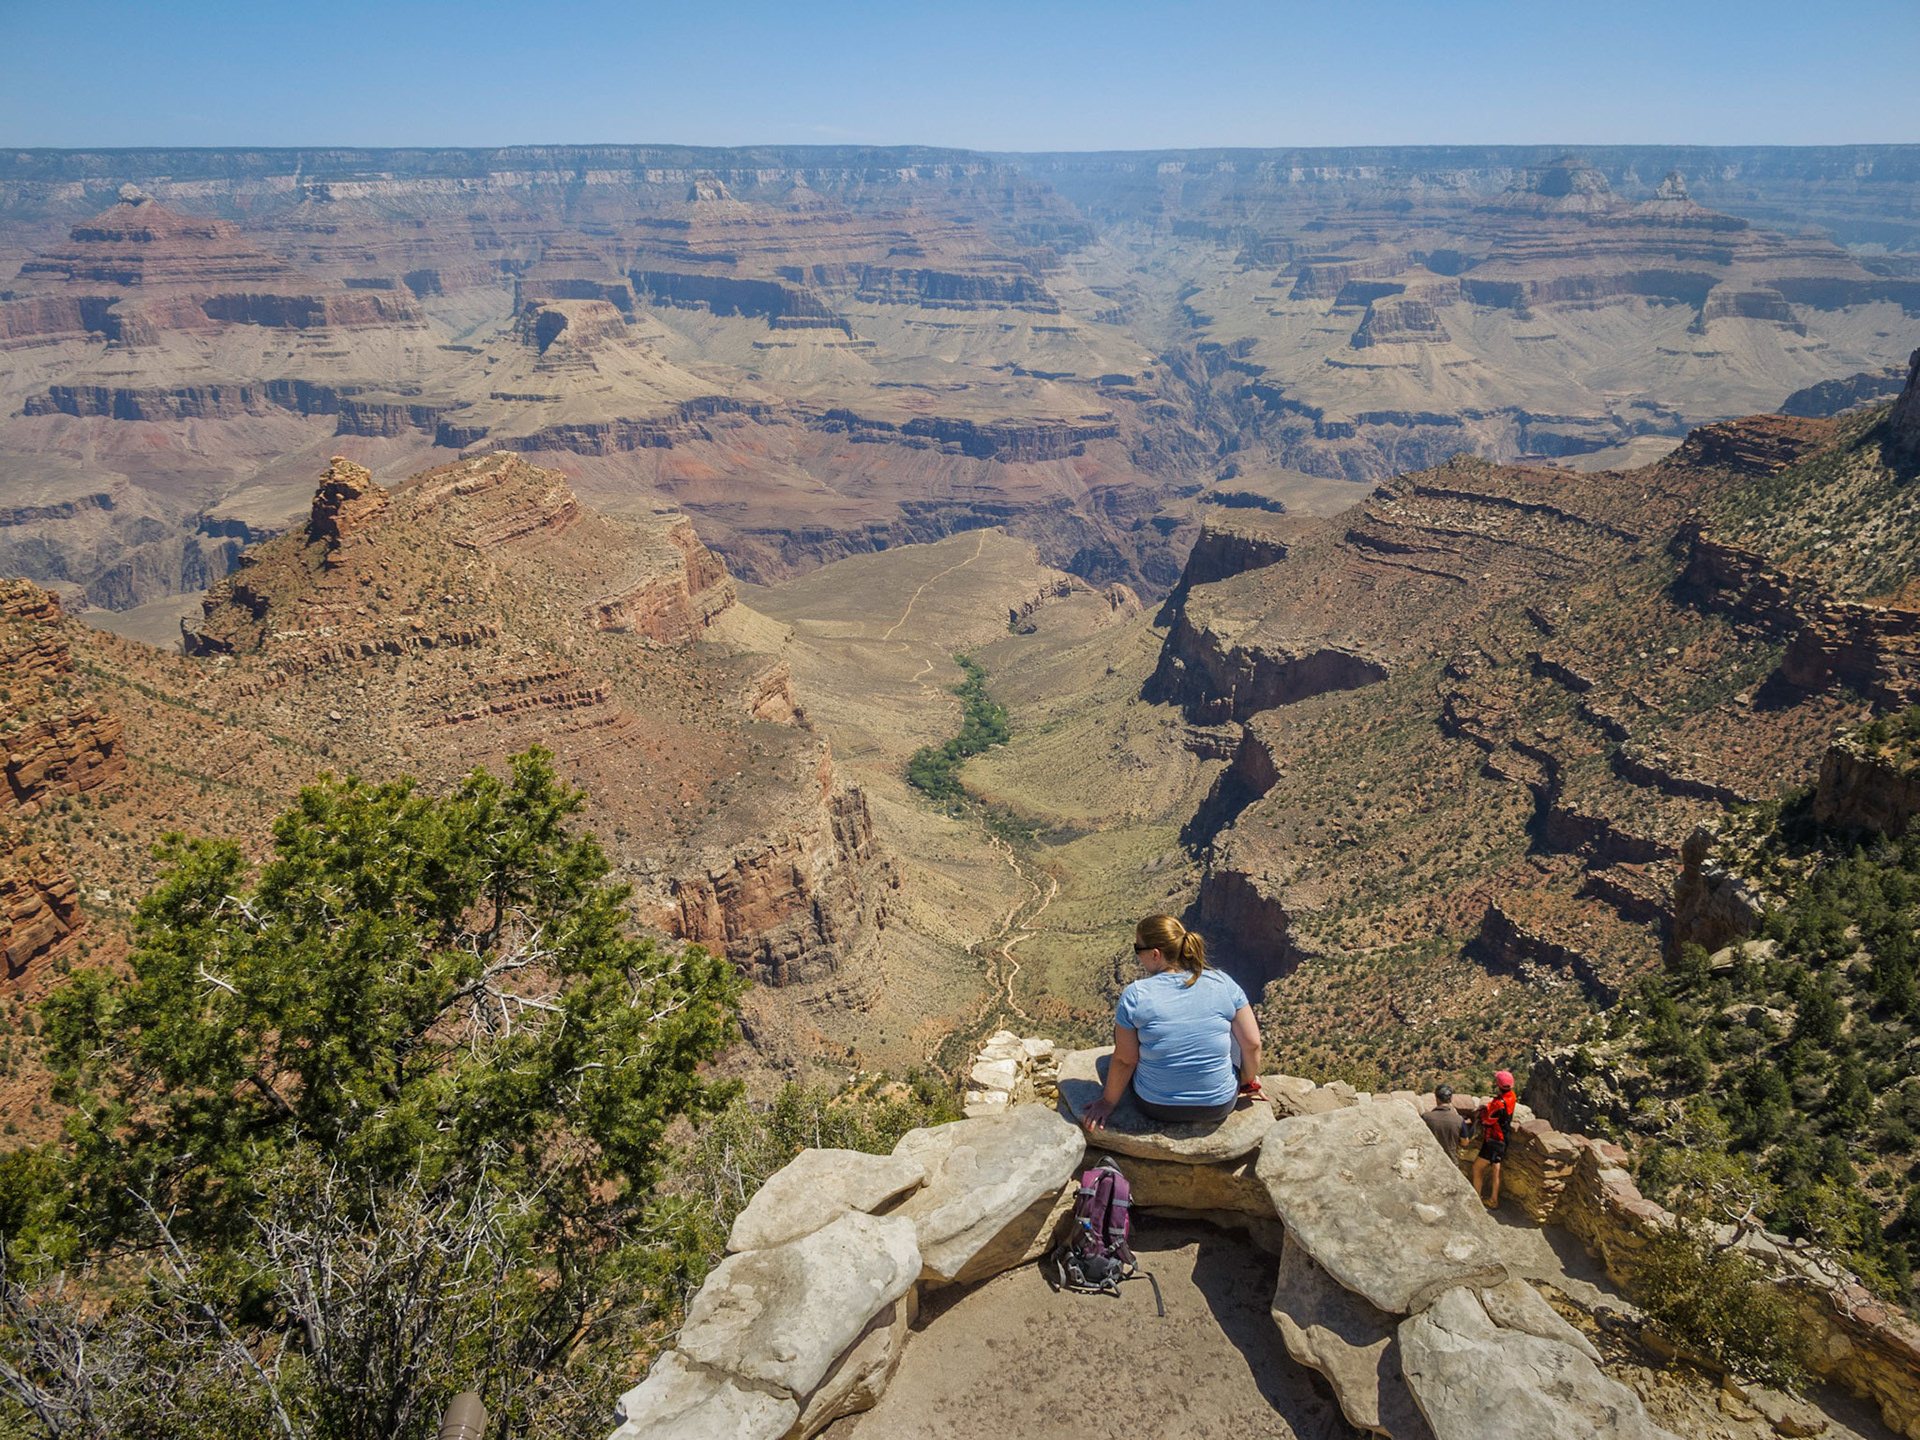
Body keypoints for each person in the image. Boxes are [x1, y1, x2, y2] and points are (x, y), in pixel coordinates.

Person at [1083, 914, 1263, 1129]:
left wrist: (1107, 1103)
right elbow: (1253, 1044)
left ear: (1155, 954)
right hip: (1218, 1105)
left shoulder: (1135, 995)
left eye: (1137, 948)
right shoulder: (1223, 983)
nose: (1137, 956)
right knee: (1232, 1033)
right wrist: (1246, 1081)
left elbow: (1125, 1060)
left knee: (1122, 1039)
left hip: (1155, 1106)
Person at [1472, 1070, 1518, 1209]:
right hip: (1504, 1137)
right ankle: (1493, 1200)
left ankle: (1477, 1197)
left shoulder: (1499, 1103)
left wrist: (1482, 1111)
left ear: (1498, 1085)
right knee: (1496, 1168)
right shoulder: (1512, 1096)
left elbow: (1487, 1120)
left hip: (1494, 1138)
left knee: (1477, 1167)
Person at [1422, 1083, 1462, 1158]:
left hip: (1430, 1158)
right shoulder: (1459, 1120)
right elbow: (1465, 1142)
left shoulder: (1425, 1117)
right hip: (1450, 1160)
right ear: (1451, 1099)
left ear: (1436, 1098)